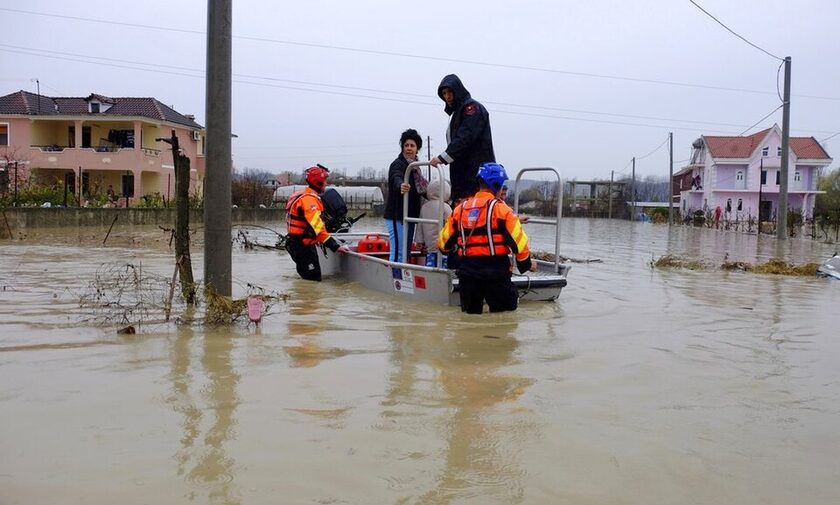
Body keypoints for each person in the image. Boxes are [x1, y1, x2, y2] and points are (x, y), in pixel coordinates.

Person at [438, 162, 535, 314]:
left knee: (470, 318)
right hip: (496, 273)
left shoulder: (459, 210)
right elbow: (519, 243)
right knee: (504, 317)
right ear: (496, 185)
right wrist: (527, 264)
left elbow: (443, 244)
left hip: (468, 273)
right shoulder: (503, 211)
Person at [429, 74, 495, 203]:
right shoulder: (458, 113)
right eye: (444, 93)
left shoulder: (471, 109)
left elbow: (465, 137)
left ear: (457, 90)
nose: (447, 97)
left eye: (449, 92)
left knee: (475, 209)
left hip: (475, 175)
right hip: (463, 175)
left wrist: (442, 158)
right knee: (463, 208)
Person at [285, 165, 349, 281]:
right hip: (302, 246)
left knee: (309, 279)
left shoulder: (302, 195)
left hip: (300, 244)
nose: (326, 184)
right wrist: (336, 247)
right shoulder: (309, 200)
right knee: (313, 280)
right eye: (325, 181)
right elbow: (318, 228)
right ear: (318, 183)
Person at [383, 128, 425, 263]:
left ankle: (404, 276)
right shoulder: (398, 164)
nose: (409, 148)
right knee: (399, 252)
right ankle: (395, 276)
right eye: (406, 145)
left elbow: (423, 189)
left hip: (409, 216)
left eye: (412, 145)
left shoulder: (416, 168)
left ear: (417, 149)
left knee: (406, 252)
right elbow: (396, 176)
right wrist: (401, 185)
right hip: (397, 216)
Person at [414, 179, 452, 268]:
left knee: (430, 263)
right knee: (443, 266)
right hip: (442, 245)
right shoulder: (446, 207)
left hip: (429, 246)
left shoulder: (424, 207)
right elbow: (451, 226)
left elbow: (420, 226)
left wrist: (419, 241)